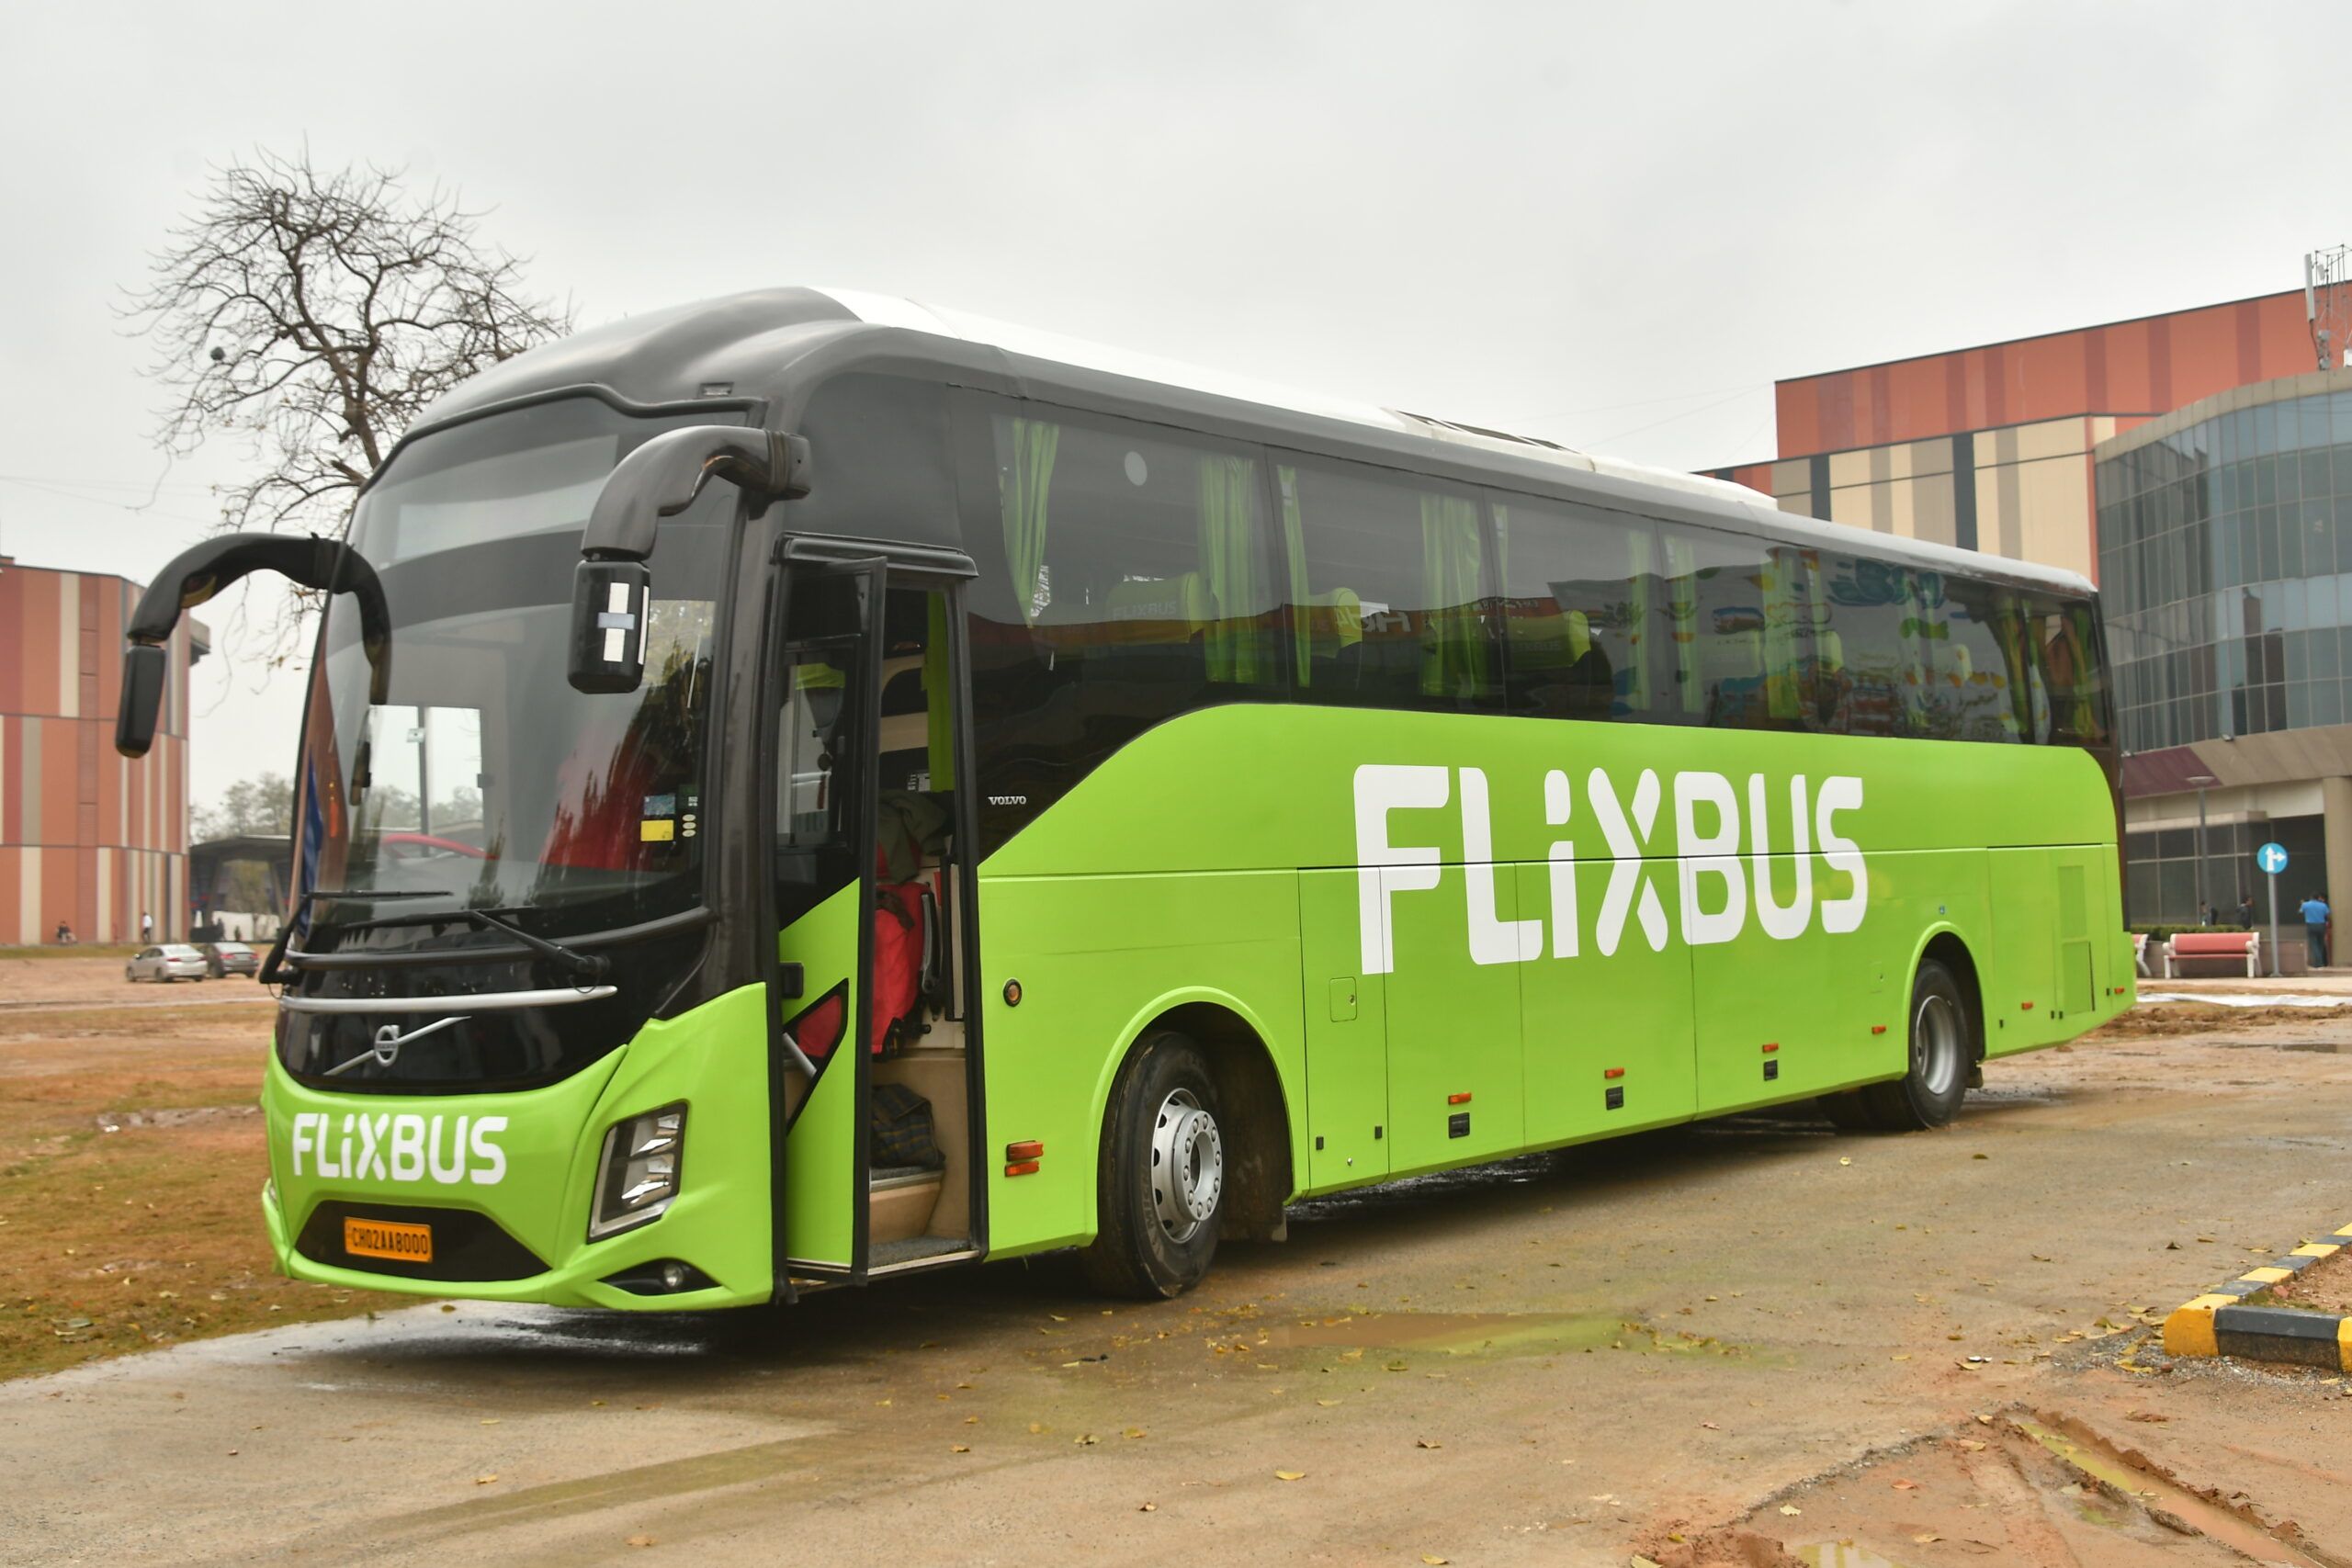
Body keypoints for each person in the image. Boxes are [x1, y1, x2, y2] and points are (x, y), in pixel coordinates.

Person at [2299, 892, 2332, 968]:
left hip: (2311, 925)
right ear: (2318, 898)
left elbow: (2300, 912)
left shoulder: (2305, 904)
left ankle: (2318, 963)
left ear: (2311, 898)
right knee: (2320, 944)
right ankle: (2321, 963)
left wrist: (2302, 904)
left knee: (2314, 945)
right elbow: (2328, 915)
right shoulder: (2323, 905)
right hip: (2321, 925)